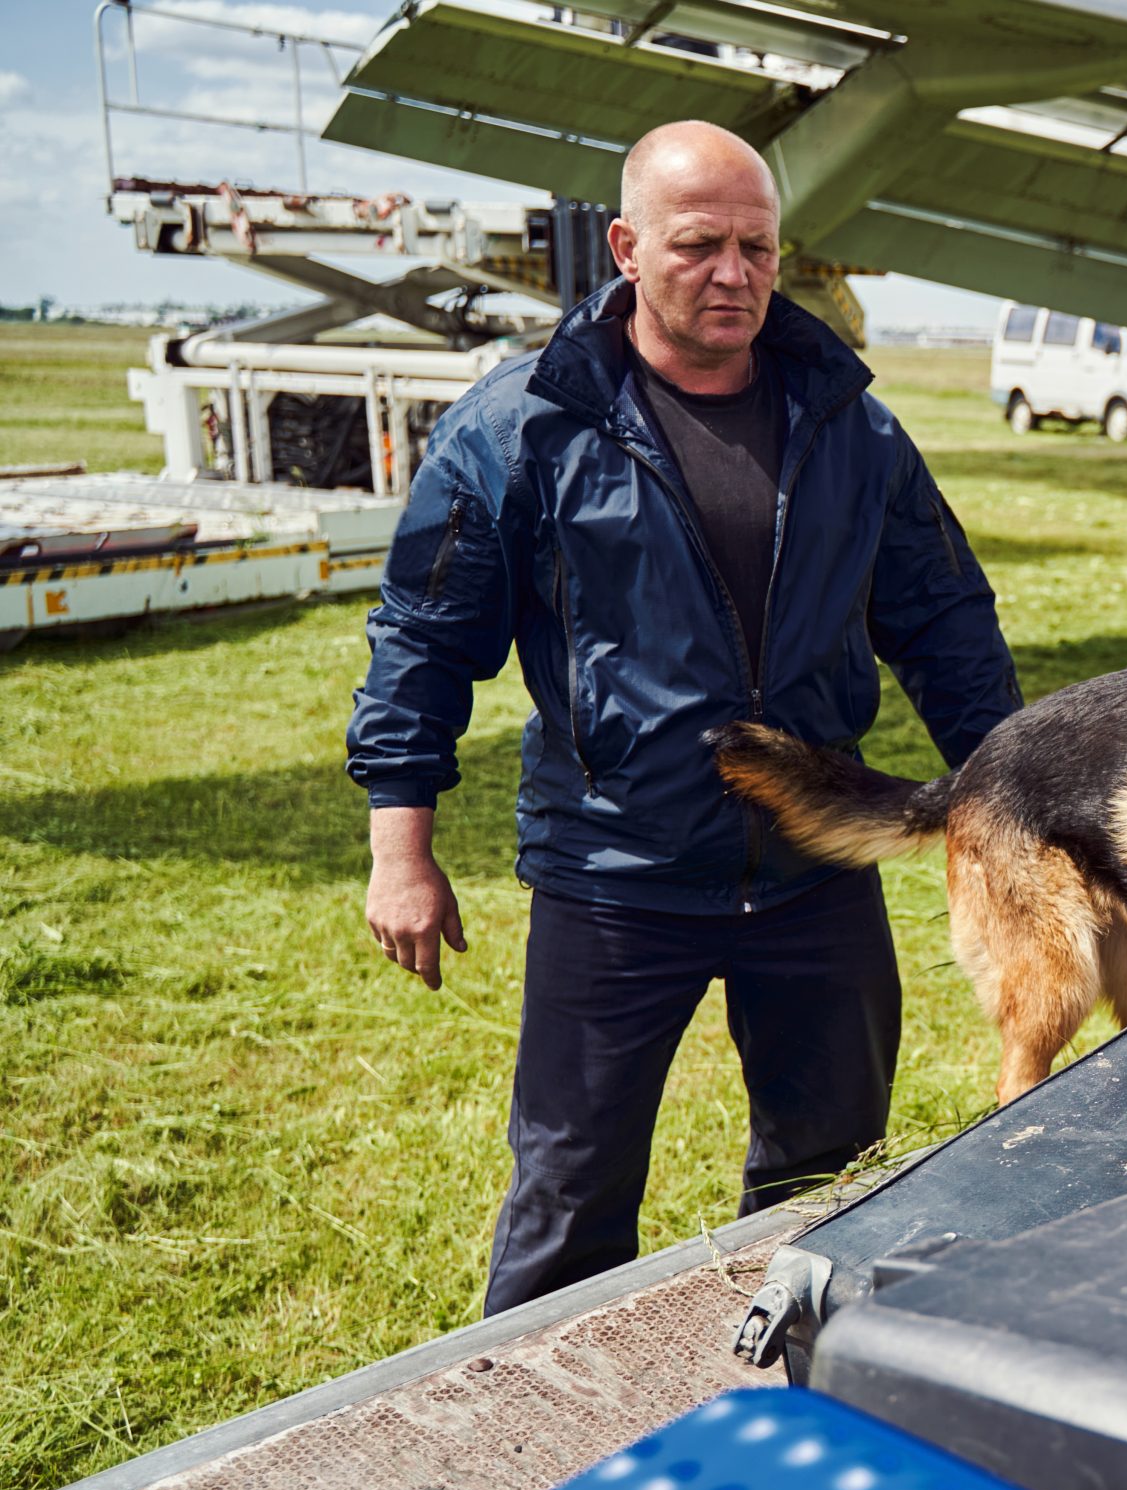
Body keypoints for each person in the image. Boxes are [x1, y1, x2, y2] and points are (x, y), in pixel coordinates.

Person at [347, 121, 1021, 1315]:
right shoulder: (520, 429)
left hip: (819, 865)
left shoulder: (849, 426)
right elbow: (424, 637)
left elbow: (947, 628)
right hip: (616, 875)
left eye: (757, 247)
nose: (734, 273)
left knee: (832, 1176)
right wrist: (400, 849)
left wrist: (1020, 810)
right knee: (570, 1186)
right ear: (626, 246)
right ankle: (527, 1429)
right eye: (700, 244)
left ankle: (785, 1391)